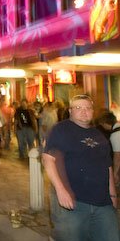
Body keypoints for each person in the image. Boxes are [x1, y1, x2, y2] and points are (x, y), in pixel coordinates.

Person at [43, 94, 120, 241]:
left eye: (88, 108)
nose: (84, 111)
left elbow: (107, 167)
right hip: (74, 201)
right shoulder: (61, 129)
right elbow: (48, 159)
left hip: (103, 203)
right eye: (78, 108)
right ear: (70, 111)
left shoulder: (99, 135)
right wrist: (61, 190)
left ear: (92, 111)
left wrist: (113, 195)